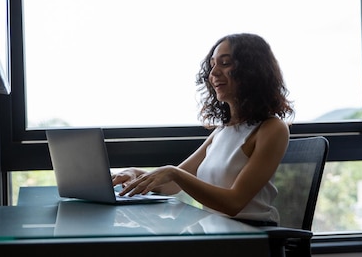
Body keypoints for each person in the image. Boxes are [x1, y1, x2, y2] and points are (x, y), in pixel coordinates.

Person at [112, 33, 294, 226]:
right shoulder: (222, 131)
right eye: (212, 65)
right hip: (215, 233)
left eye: (224, 63)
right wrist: (135, 174)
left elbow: (234, 203)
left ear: (252, 71)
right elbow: (172, 185)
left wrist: (174, 172)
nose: (213, 73)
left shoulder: (272, 129)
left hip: (251, 237)